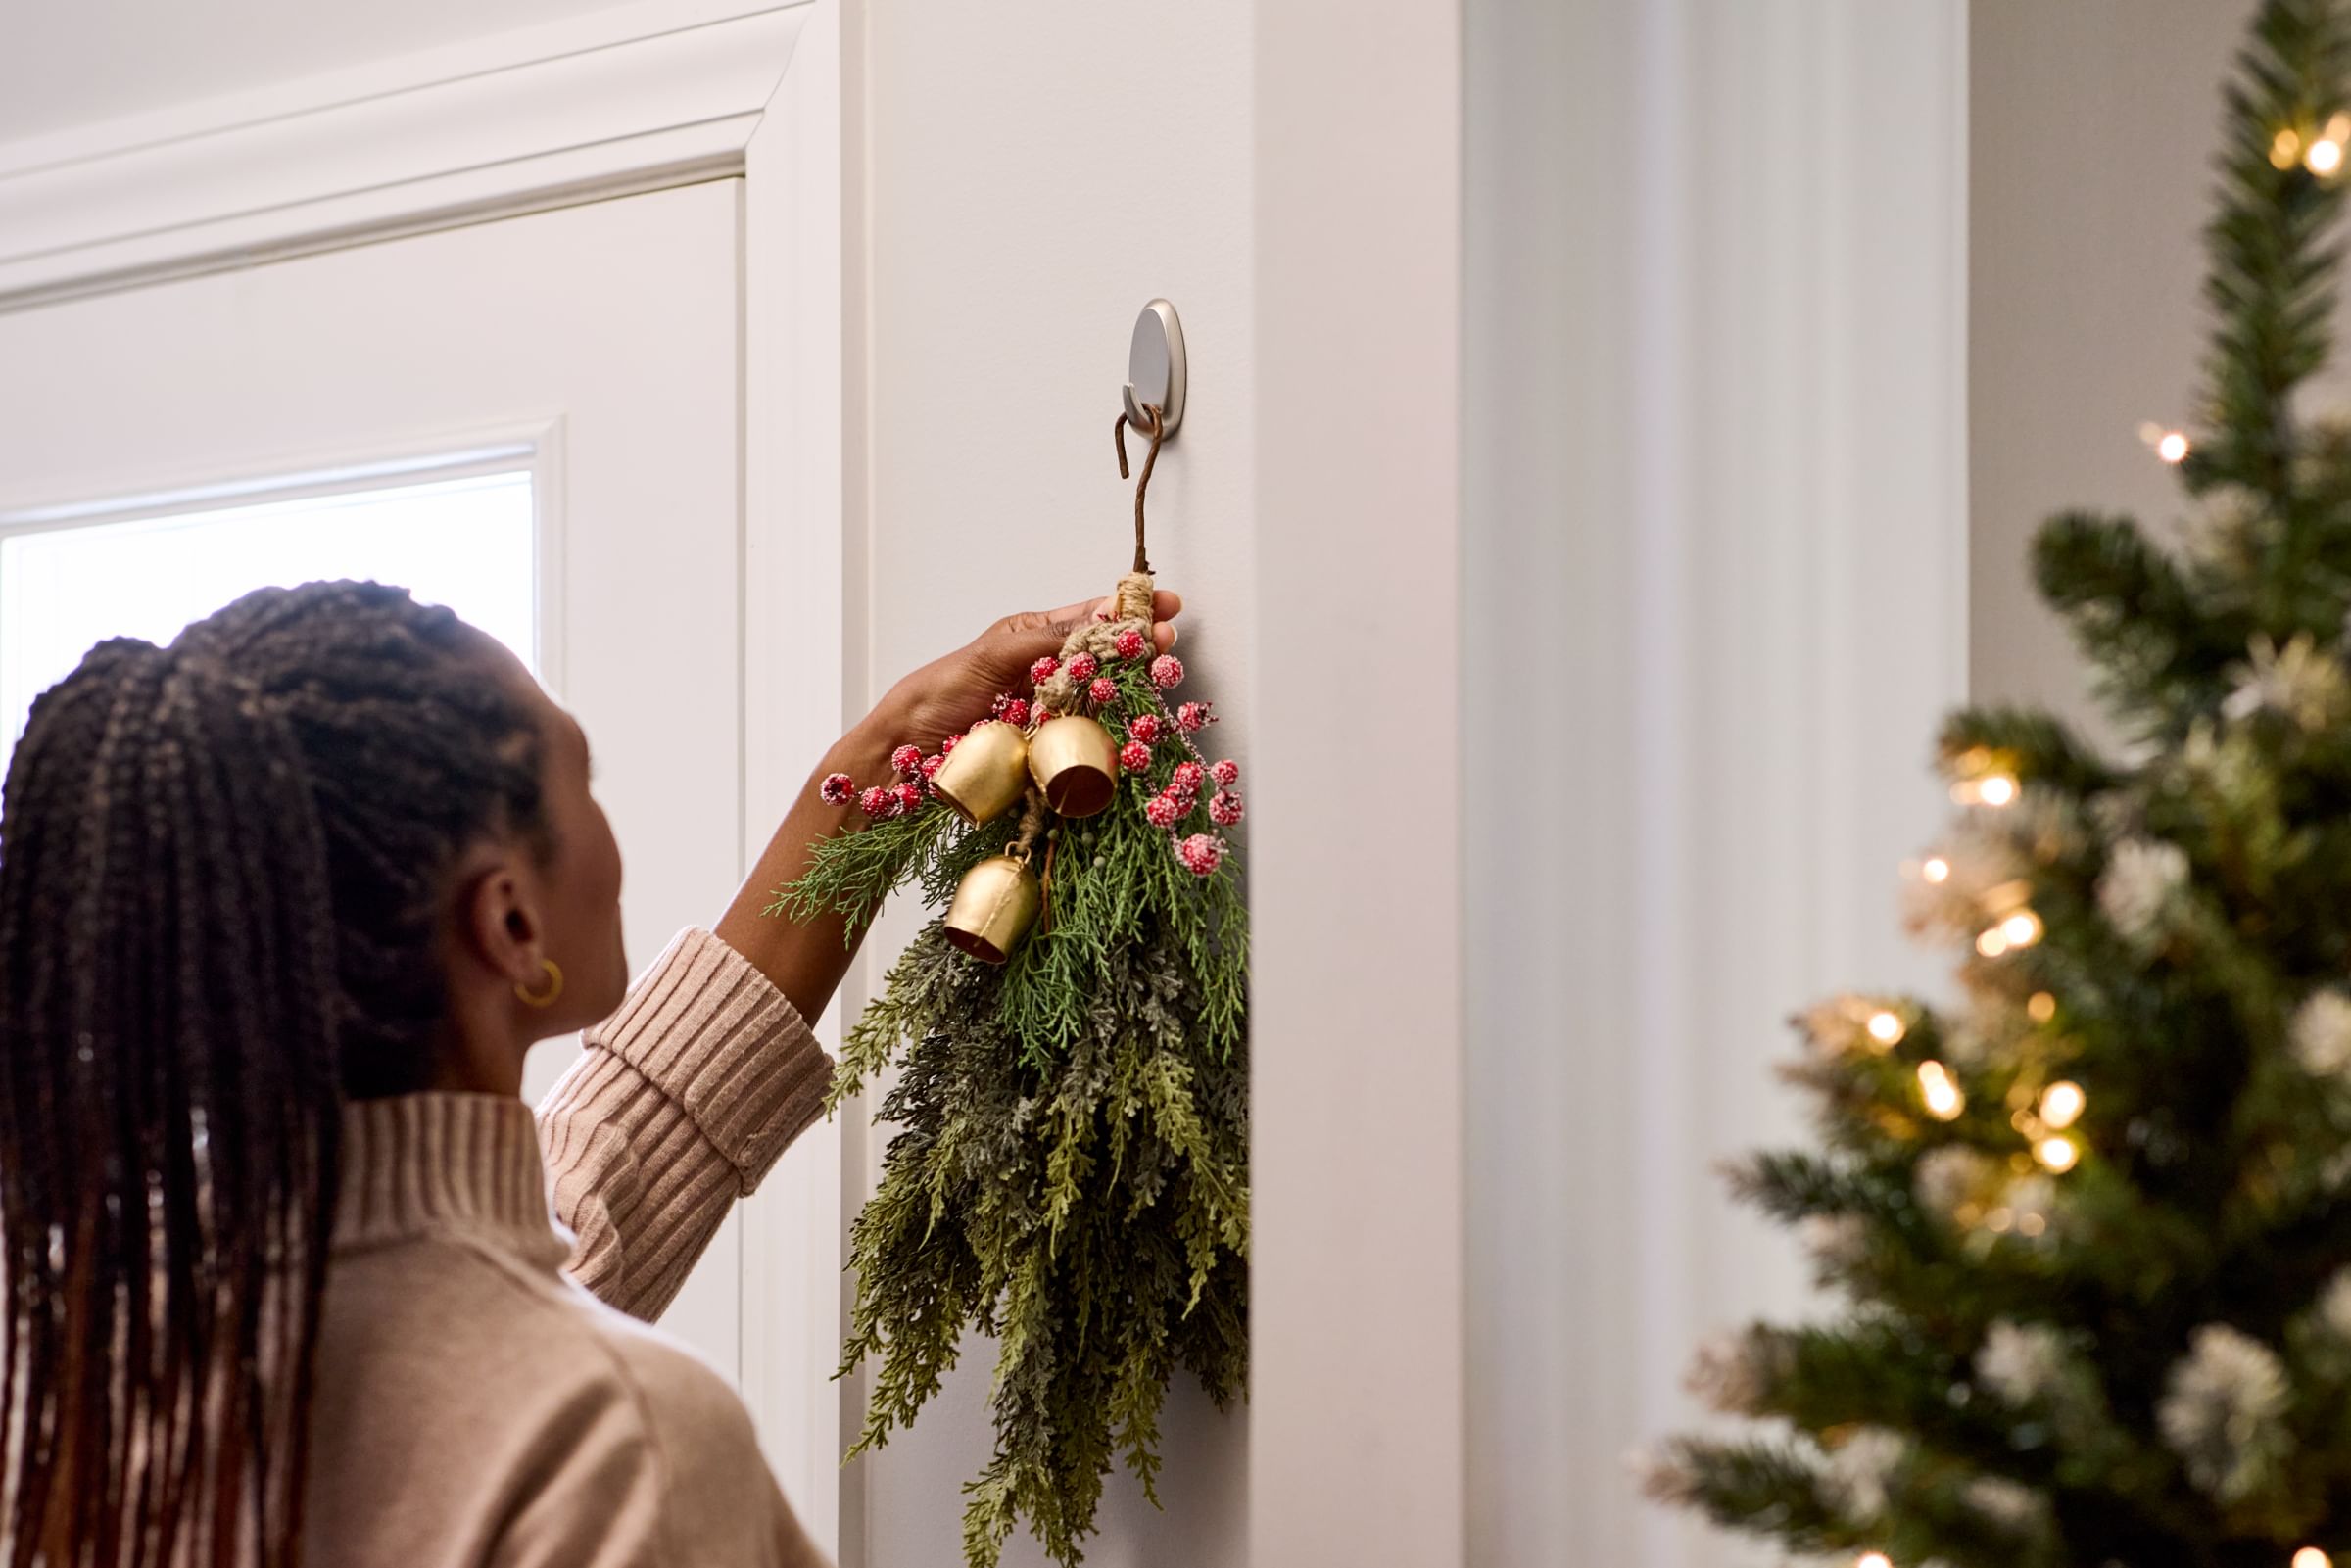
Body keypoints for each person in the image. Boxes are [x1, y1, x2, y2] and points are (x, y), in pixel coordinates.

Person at [0, 577, 1178, 1568]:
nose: (610, 827)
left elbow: (580, 1199)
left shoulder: (92, 1371)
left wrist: (880, 755)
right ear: (512, 925)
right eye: (586, 777)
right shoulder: (619, 1446)